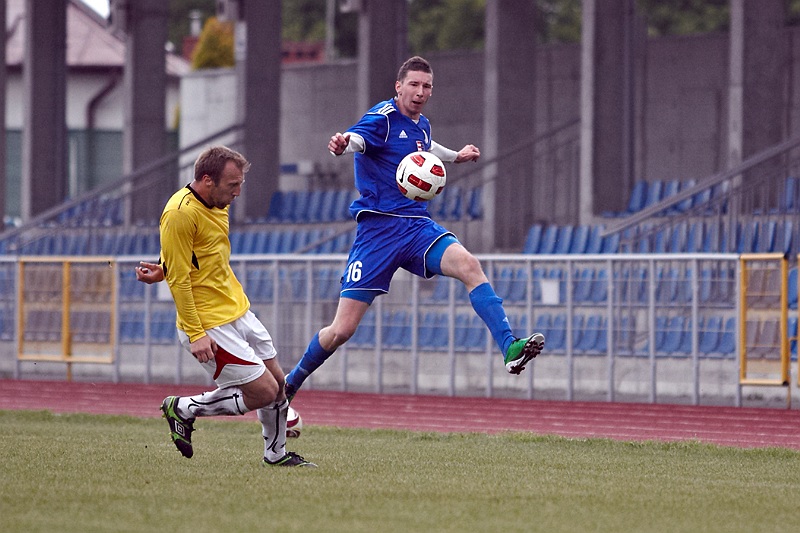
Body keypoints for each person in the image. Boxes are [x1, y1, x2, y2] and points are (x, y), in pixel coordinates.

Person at [284, 56, 545, 402]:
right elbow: (358, 138)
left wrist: (456, 156)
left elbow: (426, 146)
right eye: (414, 84)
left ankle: (509, 346)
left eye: (427, 86)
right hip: (378, 232)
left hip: (416, 226)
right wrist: (343, 144)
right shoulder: (382, 118)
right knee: (341, 330)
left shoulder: (422, 125)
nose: (421, 92)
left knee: (469, 265)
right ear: (399, 87)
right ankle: (289, 384)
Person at [135, 145, 315, 467]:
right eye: (233, 185)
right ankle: (184, 409)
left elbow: (199, 254)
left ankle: (276, 455)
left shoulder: (219, 202)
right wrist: (196, 334)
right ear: (207, 180)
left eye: (240, 184)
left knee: (279, 387)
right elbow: (180, 280)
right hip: (208, 323)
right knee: (262, 392)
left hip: (237, 308)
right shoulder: (179, 213)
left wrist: (163, 267)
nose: (238, 192)